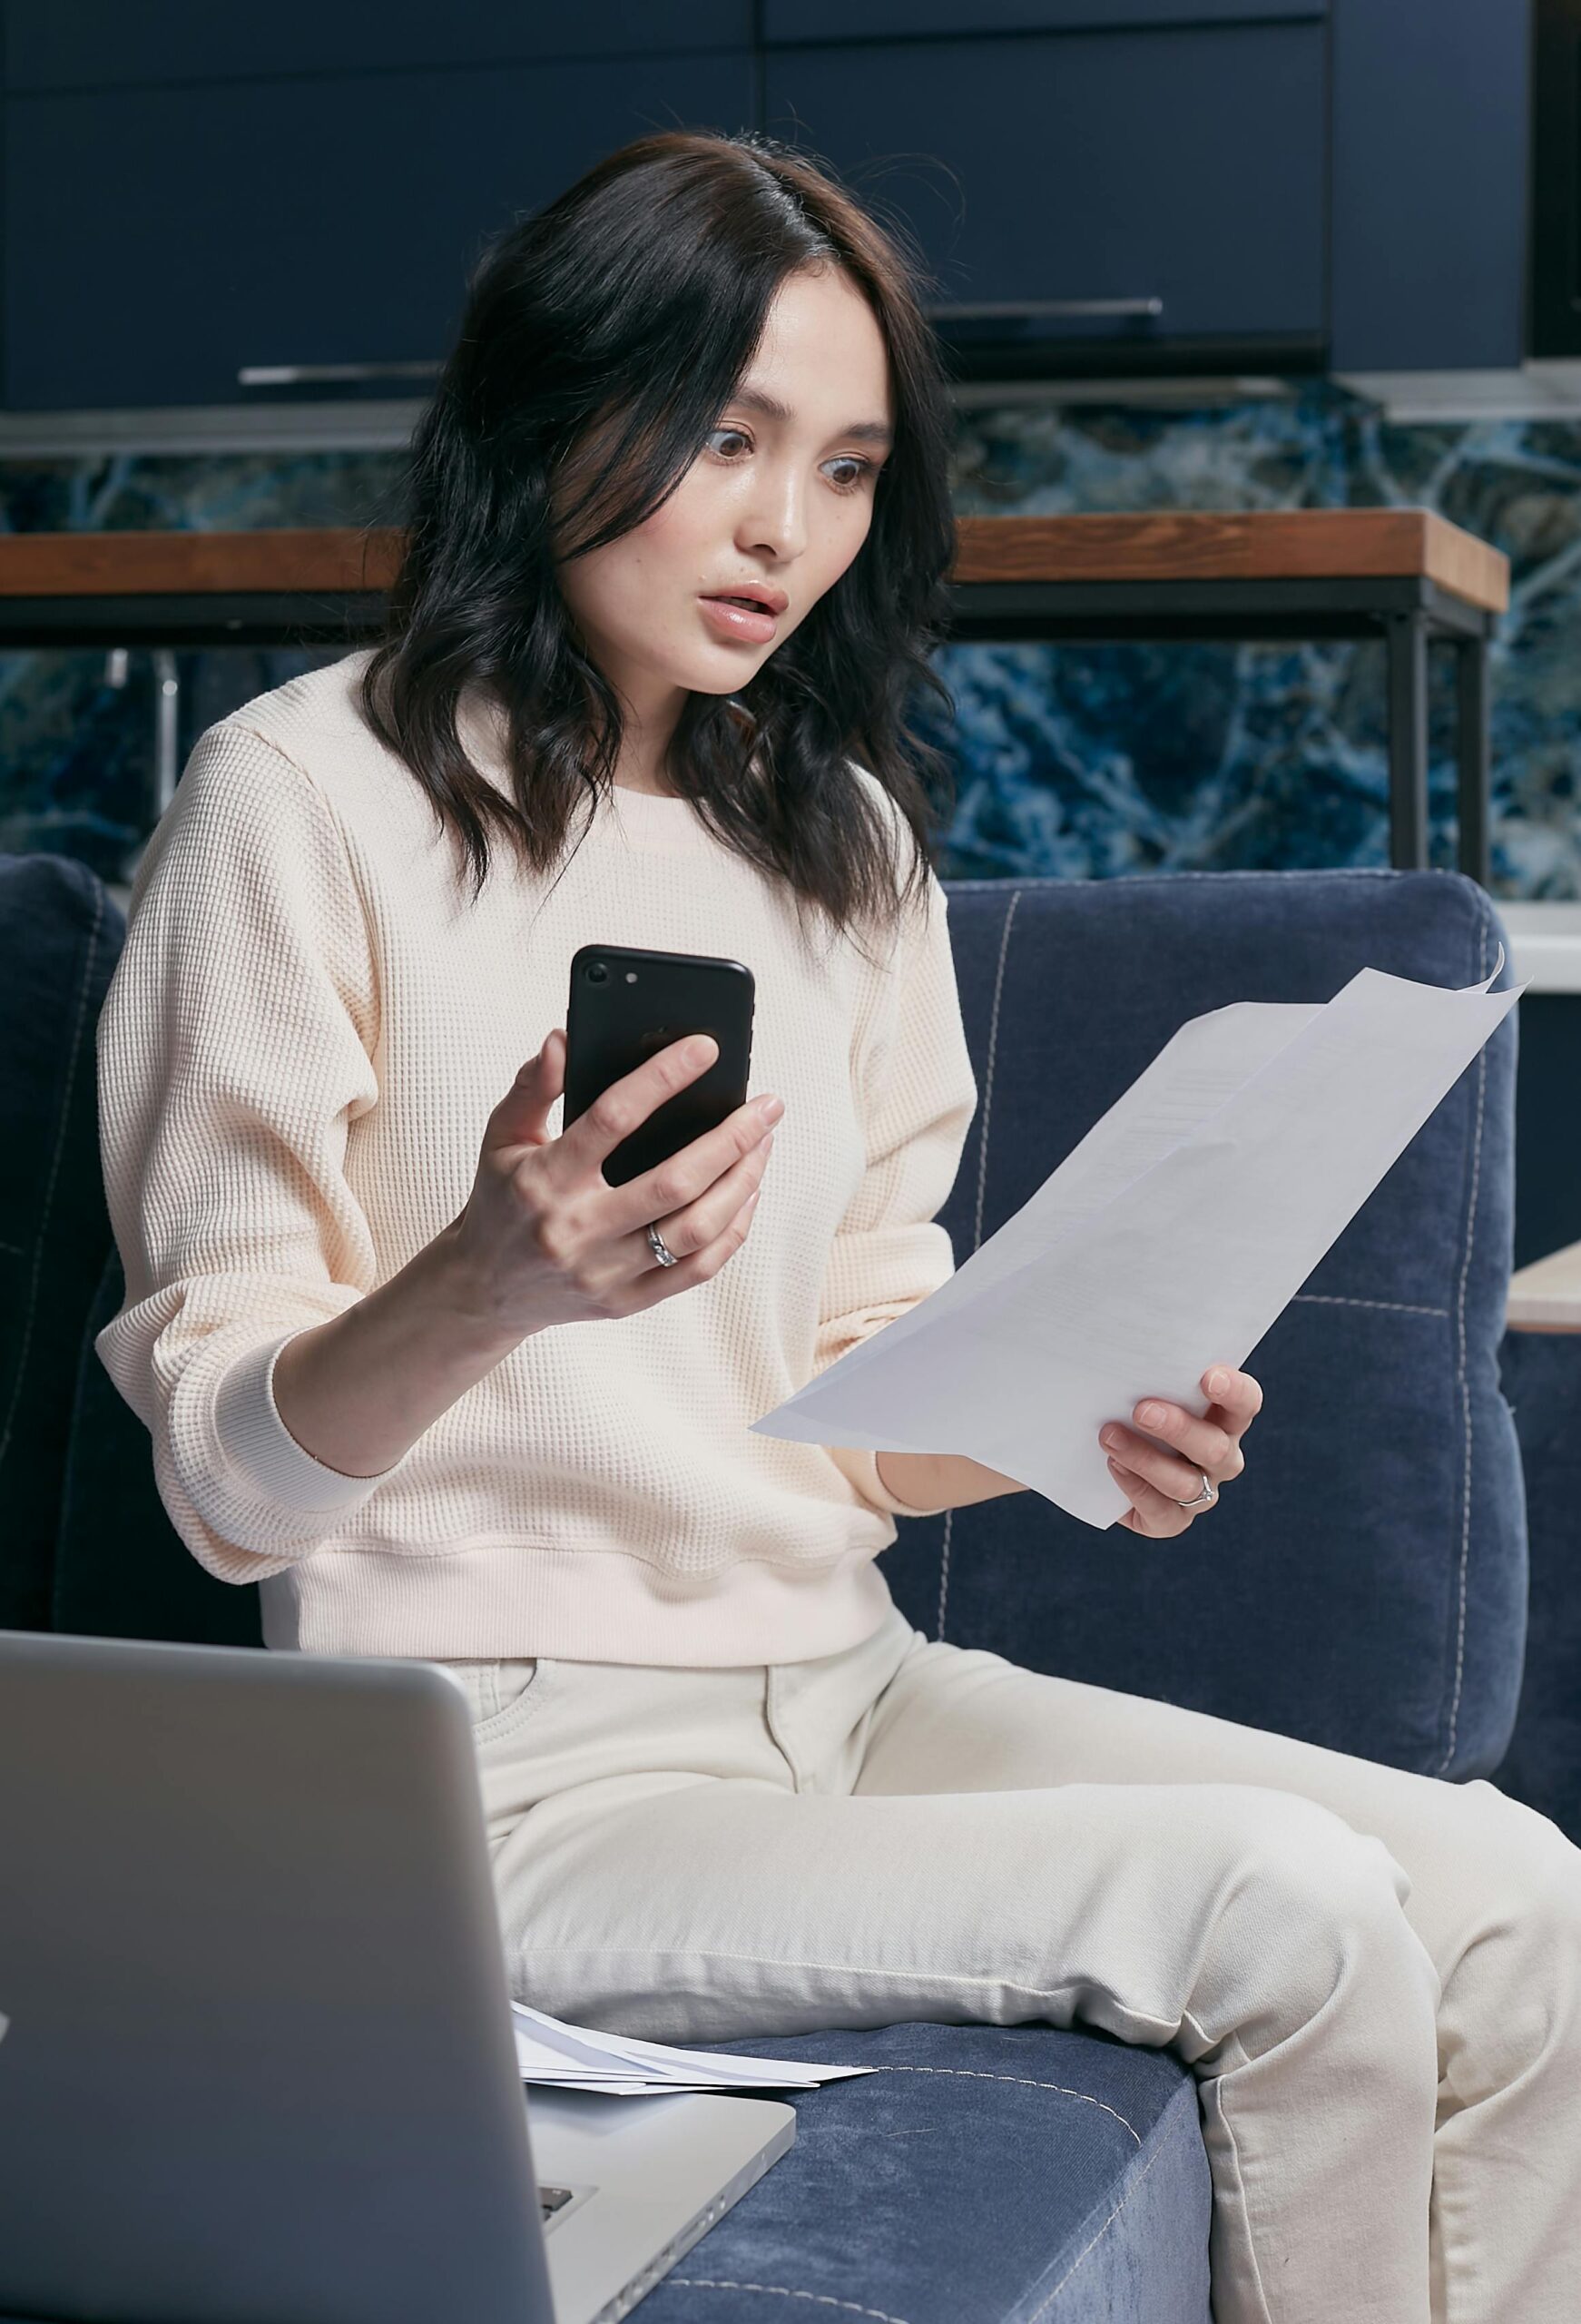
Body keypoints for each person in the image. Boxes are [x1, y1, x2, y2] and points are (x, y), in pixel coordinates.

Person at [94, 129, 1580, 2324]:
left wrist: (1085, 1414)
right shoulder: (295, 802)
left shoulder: (841, 848)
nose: (786, 527)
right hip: (485, 1770)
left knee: (1523, 1894)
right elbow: (222, 1480)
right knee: (1283, 1903)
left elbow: (864, 1405)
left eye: (851, 466)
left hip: (844, 1676)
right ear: (549, 405)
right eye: (725, 436)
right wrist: (484, 1281)